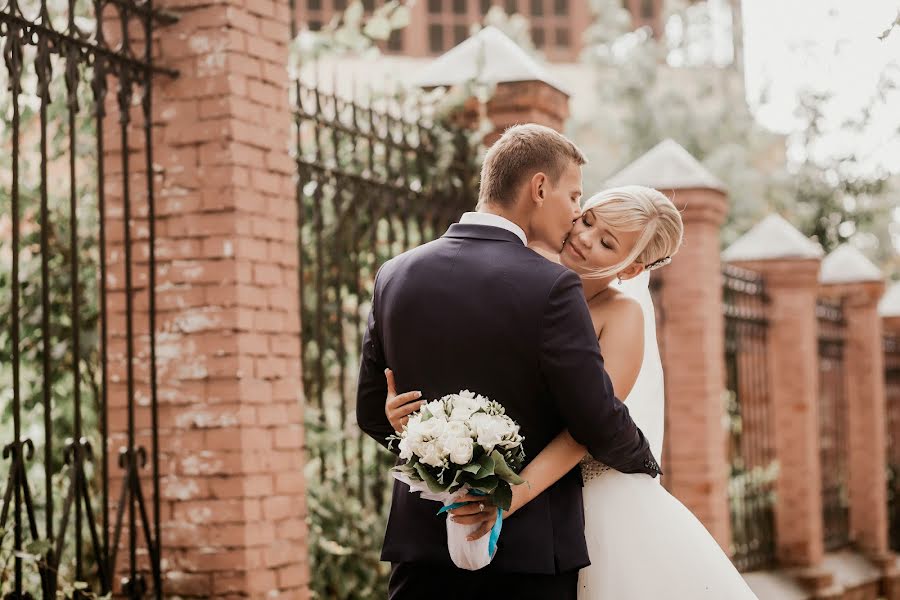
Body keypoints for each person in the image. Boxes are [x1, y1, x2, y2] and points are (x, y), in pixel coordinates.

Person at [387, 185, 758, 599]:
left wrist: (506, 499)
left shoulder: (621, 316)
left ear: (632, 269)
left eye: (606, 242)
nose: (583, 238)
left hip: (579, 499)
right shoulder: (521, 275)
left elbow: (587, 428)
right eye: (587, 220)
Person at [356, 124, 660, 600]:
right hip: (528, 554)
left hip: (421, 545)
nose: (578, 214)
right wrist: (641, 458)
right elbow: (595, 419)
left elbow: (372, 411)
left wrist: (410, 433)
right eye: (576, 198)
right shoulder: (553, 289)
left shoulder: (394, 274)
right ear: (540, 188)